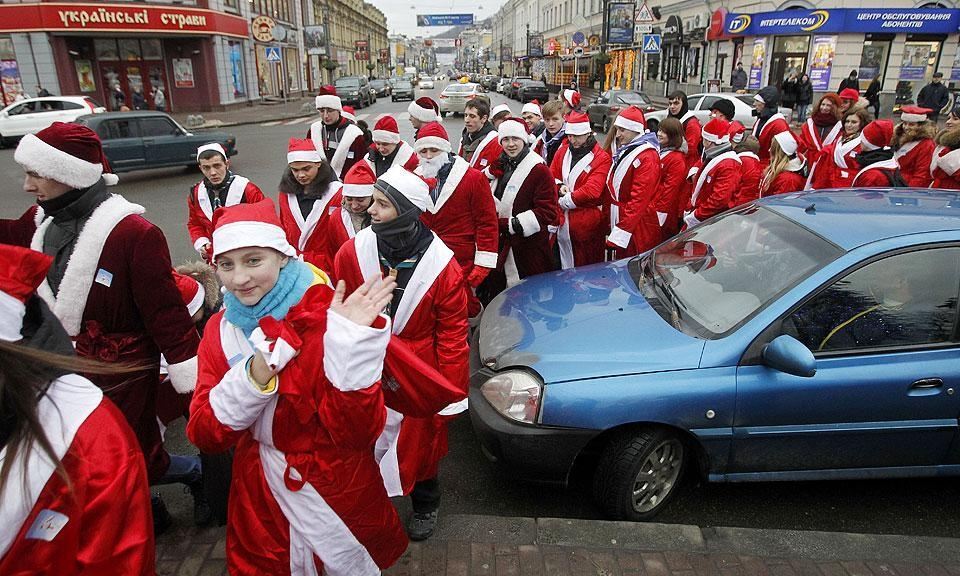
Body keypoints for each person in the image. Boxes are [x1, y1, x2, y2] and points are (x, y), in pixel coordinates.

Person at [187, 199, 409, 573]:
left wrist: (351, 350)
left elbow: (357, 432)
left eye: (253, 260)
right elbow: (205, 434)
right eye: (226, 264)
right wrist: (255, 373)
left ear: (284, 258)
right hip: (261, 495)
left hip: (337, 485)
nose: (239, 279)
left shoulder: (329, 319)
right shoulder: (218, 330)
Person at [1, 122, 200, 503]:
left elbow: (166, 315)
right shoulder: (40, 222)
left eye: (34, 174)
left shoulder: (134, 233)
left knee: (134, 456)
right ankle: (140, 506)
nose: (27, 186)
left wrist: (188, 376)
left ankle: (191, 474)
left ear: (67, 173)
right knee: (85, 460)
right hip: (62, 372)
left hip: (124, 375)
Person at [0, 244, 154, 575]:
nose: (28, 187)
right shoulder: (45, 228)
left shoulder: (133, 235)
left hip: (119, 362)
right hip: (87, 354)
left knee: (151, 444)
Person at [334, 167, 469, 543]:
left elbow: (453, 332)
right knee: (363, 436)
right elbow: (339, 304)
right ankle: (367, 500)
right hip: (365, 361)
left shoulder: (443, 267)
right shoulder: (353, 251)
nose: (370, 211)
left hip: (418, 366)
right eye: (372, 203)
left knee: (420, 443)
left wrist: (450, 392)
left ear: (408, 211)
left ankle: (426, 501)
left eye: (381, 204)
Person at [413, 121, 499, 320]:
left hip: (462, 260)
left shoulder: (472, 178)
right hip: (424, 259)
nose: (427, 156)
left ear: (445, 149)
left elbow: (486, 223)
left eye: (433, 150)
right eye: (423, 150)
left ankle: (474, 337)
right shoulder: (413, 180)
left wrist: (482, 265)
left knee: (465, 308)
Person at [482, 117, 558, 294]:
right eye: (505, 140)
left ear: (524, 140)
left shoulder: (539, 170)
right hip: (501, 246)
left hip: (528, 250)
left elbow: (548, 212)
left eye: (515, 139)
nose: (510, 144)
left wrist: (510, 224)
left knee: (530, 298)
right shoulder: (500, 165)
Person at [550, 111, 612, 268]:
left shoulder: (601, 158)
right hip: (560, 221)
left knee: (585, 268)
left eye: (577, 136)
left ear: (588, 133)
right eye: (569, 135)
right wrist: (558, 187)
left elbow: (593, 190)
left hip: (586, 224)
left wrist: (565, 200)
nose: (572, 140)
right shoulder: (563, 151)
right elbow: (550, 176)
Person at [188, 143, 265, 261]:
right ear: (200, 168)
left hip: (248, 256)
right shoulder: (196, 193)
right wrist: (202, 244)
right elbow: (195, 224)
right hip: (217, 258)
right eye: (206, 168)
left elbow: (265, 223)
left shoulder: (247, 189)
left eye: (217, 165)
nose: (212, 172)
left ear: (227, 164)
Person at [277, 138, 343, 273]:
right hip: (293, 265)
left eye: (306, 169)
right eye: (295, 170)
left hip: (328, 266)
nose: (301, 175)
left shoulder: (337, 193)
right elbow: (283, 228)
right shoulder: (286, 195)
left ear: (318, 164)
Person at [604, 106, 661, 258]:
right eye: (617, 130)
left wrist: (621, 231)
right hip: (626, 218)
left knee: (632, 264)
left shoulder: (647, 156)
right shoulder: (631, 149)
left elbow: (639, 199)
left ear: (635, 129)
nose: (617, 135)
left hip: (637, 225)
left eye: (622, 130)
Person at [684, 118, 741, 229]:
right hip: (704, 218)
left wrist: (696, 216)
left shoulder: (729, 164)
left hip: (710, 223)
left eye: (703, 138)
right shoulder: (714, 155)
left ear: (709, 141)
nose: (701, 141)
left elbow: (719, 199)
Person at [308, 85, 366, 180]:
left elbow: (360, 165)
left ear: (338, 110)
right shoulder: (314, 131)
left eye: (330, 111)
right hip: (318, 184)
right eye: (322, 111)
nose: (326, 115)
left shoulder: (354, 134)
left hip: (346, 184)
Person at [809, 107, 870, 189]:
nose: (849, 125)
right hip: (832, 183)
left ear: (862, 123)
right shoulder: (839, 139)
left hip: (851, 185)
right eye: (847, 121)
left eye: (854, 122)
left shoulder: (865, 143)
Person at [328, 161, 375, 257]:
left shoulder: (379, 216)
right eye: (349, 199)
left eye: (360, 200)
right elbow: (332, 250)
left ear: (372, 196)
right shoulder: (336, 217)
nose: (354, 205)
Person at [655, 117, 689, 239]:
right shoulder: (662, 150)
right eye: (659, 130)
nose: (659, 134)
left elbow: (670, 189)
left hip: (664, 212)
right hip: (654, 206)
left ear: (673, 135)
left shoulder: (677, 159)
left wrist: (660, 212)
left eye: (663, 132)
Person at [893, 106, 936, 187]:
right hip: (895, 183)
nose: (906, 127)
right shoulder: (897, 137)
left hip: (907, 186)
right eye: (904, 123)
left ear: (921, 126)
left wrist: (910, 191)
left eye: (911, 124)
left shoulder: (926, 144)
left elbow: (922, 173)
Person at [852, 120, 902, 187]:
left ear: (868, 144)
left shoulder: (873, 176)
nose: (860, 141)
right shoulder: (887, 158)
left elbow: (864, 197)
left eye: (862, 139)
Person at [798, 93, 842, 168]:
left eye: (828, 105)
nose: (824, 108)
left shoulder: (839, 127)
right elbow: (801, 143)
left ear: (835, 107)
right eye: (823, 104)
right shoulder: (809, 124)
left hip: (828, 163)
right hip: (809, 161)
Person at [458, 98, 502, 173]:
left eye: (472, 116)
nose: (467, 120)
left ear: (484, 119)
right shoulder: (464, 138)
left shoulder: (495, 142)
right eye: (465, 115)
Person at [751, 86, 790, 168]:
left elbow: (780, 153)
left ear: (766, 104)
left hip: (768, 166)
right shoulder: (761, 120)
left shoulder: (779, 125)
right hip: (759, 164)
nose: (754, 104)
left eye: (757, 101)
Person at [759, 132, 807, 196]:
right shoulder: (780, 173)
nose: (769, 150)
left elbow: (780, 205)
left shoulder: (788, 180)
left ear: (778, 152)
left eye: (772, 147)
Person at [666, 90, 702, 170]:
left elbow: (690, 149)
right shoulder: (670, 118)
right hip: (671, 163)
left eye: (676, 103)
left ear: (684, 104)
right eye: (670, 103)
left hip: (686, 166)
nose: (672, 106)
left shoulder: (692, 123)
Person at [729, 122, 762, 208]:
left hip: (740, 208)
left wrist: (730, 206)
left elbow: (746, 193)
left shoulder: (744, 162)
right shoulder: (747, 160)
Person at [931, 102, 960, 189]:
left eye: (955, 119)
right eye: (948, 118)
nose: (948, 122)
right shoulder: (944, 145)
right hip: (939, 194)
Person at [537, 99, 567, 165]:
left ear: (564, 118)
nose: (551, 124)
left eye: (555, 119)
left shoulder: (569, 140)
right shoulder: (541, 139)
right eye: (547, 120)